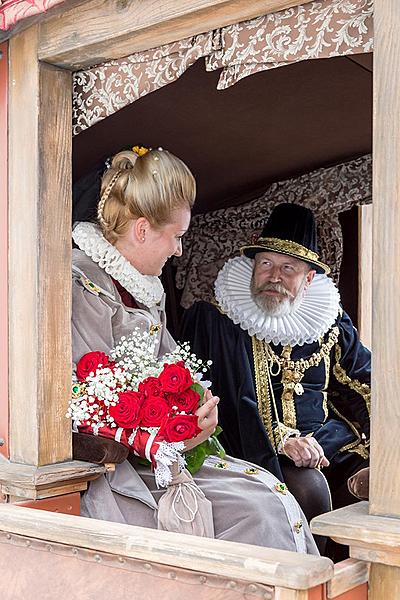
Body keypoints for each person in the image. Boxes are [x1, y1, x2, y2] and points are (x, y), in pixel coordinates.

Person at [71, 148, 318, 554]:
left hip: (160, 458)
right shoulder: (81, 283)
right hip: (111, 471)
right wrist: (166, 429)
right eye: (178, 236)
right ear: (143, 230)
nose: (180, 251)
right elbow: (88, 396)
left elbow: (172, 368)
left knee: (270, 495)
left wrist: (195, 409)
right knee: (259, 511)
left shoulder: (145, 288)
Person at [181, 203, 370, 551]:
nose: (274, 276)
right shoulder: (223, 323)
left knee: (379, 471)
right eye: (266, 263)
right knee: (311, 487)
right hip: (259, 446)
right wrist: (282, 439)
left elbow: (363, 381)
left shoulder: (330, 321)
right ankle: (315, 579)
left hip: (328, 440)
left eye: (288, 268)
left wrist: (386, 442)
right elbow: (228, 400)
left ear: (309, 278)